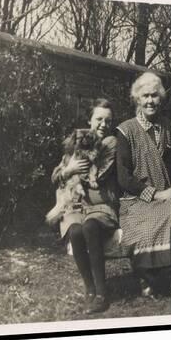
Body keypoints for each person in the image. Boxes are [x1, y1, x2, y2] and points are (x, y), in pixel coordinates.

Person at [116, 72, 171, 312]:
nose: (150, 101)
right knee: (146, 227)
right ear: (137, 99)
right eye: (145, 96)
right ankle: (148, 278)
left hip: (167, 194)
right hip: (136, 200)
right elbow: (123, 177)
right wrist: (154, 194)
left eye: (155, 96)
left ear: (161, 99)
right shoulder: (126, 131)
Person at [50, 98, 119, 314]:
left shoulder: (111, 143)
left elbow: (101, 171)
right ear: (89, 120)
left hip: (102, 205)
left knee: (89, 226)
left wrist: (77, 168)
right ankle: (89, 289)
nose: (103, 125)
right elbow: (56, 176)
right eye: (98, 119)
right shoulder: (76, 144)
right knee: (76, 230)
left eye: (108, 121)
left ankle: (101, 292)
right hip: (76, 206)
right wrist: (69, 170)